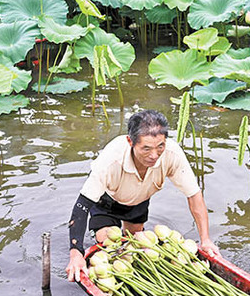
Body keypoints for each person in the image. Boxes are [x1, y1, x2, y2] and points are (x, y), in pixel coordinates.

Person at [66, 109, 217, 281]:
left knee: (136, 247)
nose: (154, 155)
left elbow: (194, 196)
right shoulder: (110, 161)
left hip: (140, 198)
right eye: (146, 148)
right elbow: (81, 206)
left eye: (160, 146)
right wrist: (76, 253)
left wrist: (205, 239)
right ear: (130, 141)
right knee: (111, 245)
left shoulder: (172, 154)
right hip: (107, 201)